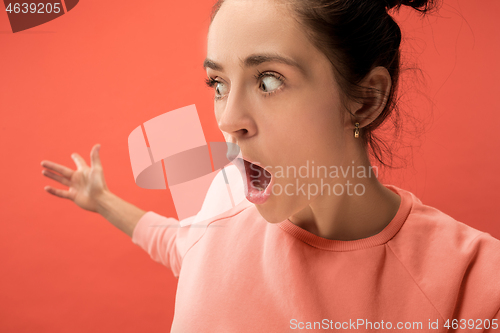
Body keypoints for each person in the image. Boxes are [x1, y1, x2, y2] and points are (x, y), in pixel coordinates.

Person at [41, 0, 500, 331]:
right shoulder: (225, 205)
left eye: (267, 80)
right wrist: (99, 199)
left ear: (365, 100)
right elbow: (178, 243)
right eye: (218, 82)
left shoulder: (474, 287)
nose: (226, 119)